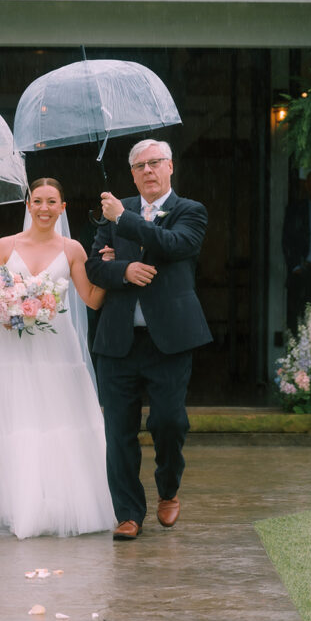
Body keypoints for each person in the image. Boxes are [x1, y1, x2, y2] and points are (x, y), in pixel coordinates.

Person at [0, 178, 116, 539]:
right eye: (38, 201)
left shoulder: (73, 249)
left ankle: (60, 505)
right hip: (10, 348)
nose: (44, 208)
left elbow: (91, 299)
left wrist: (109, 267)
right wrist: (7, 305)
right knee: (14, 421)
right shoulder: (4, 246)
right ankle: (14, 505)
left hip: (57, 348)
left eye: (52, 202)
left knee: (58, 419)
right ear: (28, 205)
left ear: (63, 208)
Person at [85, 139, 211, 540]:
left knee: (169, 422)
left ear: (170, 166)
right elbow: (93, 267)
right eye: (139, 166)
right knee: (118, 431)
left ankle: (169, 488)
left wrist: (124, 220)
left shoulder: (188, 211)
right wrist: (123, 271)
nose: (148, 171)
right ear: (132, 173)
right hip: (118, 340)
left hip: (169, 340)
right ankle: (128, 513)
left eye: (155, 163)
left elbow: (174, 245)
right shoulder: (113, 211)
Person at [282, 168, 311, 332]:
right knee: (297, 322)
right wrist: (295, 266)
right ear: (307, 185)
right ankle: (298, 356)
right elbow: (287, 240)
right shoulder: (296, 209)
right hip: (302, 271)